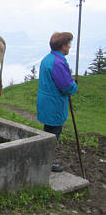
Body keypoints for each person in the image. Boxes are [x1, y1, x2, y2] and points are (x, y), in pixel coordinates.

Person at [37, 32, 78, 172]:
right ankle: (48, 160)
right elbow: (66, 86)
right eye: (69, 44)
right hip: (54, 103)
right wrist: (74, 86)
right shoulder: (58, 63)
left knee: (49, 130)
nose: (70, 47)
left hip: (46, 101)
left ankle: (44, 156)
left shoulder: (48, 59)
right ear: (63, 46)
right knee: (54, 132)